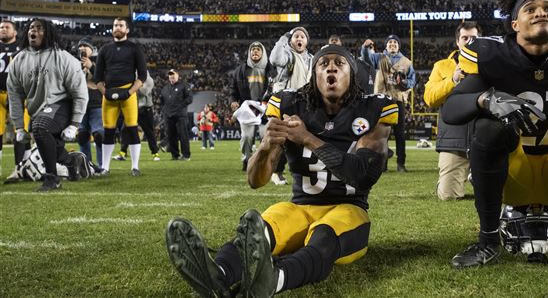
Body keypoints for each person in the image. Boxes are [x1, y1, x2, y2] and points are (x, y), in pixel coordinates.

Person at [165, 44, 398, 297]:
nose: (331, 66)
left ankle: (275, 279)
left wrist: (308, 138)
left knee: (324, 236)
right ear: (313, 75)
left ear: (351, 75)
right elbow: (256, 181)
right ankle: (218, 274)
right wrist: (266, 147)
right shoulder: (290, 104)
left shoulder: (373, 109)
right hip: (299, 207)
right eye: (324, 63)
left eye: (339, 63)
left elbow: (364, 174)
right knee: (262, 229)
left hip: (350, 209)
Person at [441, 0, 548, 267]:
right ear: (515, 24)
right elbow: (451, 110)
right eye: (531, 9)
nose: (542, 13)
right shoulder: (492, 55)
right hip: (514, 172)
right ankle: (487, 242)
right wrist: (485, 100)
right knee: (489, 127)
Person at [7, 18, 88, 191]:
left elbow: (80, 93)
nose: (33, 31)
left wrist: (74, 124)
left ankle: (52, 178)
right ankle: (71, 161)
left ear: (48, 33)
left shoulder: (63, 58)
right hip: (38, 109)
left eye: (39, 28)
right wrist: (19, 127)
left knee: (40, 128)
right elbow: (13, 95)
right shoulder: (19, 60)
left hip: (63, 105)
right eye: (30, 28)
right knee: (47, 139)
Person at [424, 21, 482, 200]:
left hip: (485, 138)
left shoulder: (492, 64)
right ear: (457, 42)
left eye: (474, 38)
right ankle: (446, 181)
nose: (469, 41)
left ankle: (478, 177)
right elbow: (430, 98)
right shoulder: (442, 66)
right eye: (465, 38)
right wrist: (452, 80)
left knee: (505, 194)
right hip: (454, 141)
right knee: (448, 196)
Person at [93, 17, 147, 176]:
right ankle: (106, 167)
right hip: (108, 95)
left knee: (131, 129)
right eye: (115, 25)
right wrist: (105, 92)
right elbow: (97, 78)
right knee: (108, 131)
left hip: (128, 93)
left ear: (127, 30)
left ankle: (135, 167)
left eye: (121, 25)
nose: (117, 27)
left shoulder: (134, 48)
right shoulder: (104, 49)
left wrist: (128, 92)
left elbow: (142, 76)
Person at [362, 34, 416, 172]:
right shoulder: (379, 57)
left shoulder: (406, 62)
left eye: (395, 42)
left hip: (398, 99)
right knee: (381, 134)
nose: (392, 44)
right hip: (382, 99)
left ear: (398, 46)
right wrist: (365, 47)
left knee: (400, 134)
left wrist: (404, 82)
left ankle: (401, 164)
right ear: (386, 46)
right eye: (390, 42)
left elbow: (412, 81)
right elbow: (366, 58)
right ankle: (382, 164)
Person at [269, 26, 313, 184]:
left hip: (304, 101)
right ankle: (276, 171)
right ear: (291, 41)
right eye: (296, 37)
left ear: (307, 41)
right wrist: (283, 38)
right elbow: (274, 59)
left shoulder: (311, 58)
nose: (299, 39)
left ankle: (301, 172)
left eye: (302, 36)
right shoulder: (287, 55)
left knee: (303, 137)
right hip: (285, 100)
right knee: (282, 137)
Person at [230, 41, 276, 171]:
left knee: (266, 137)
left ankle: (263, 162)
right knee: (246, 138)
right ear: (249, 53)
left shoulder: (271, 70)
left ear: (263, 53)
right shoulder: (240, 70)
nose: (255, 51)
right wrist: (233, 100)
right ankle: (247, 160)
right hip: (248, 109)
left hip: (266, 109)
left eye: (258, 49)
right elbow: (233, 90)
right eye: (253, 49)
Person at [1, 20, 31, 176]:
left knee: (21, 130)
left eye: (7, 27)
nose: (3, 29)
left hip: (17, 95)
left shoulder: (21, 50)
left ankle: (21, 168)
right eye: (1, 27)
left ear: (15, 32)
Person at [114, 73, 161, 161]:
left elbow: (144, 92)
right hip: (133, 107)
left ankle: (155, 153)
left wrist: (133, 85)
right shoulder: (132, 76)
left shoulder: (149, 80)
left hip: (145, 109)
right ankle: (122, 153)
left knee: (149, 132)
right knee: (125, 129)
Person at [75, 37, 104, 168]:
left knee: (99, 135)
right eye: (80, 46)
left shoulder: (101, 61)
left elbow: (104, 79)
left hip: (96, 102)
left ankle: (103, 165)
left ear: (92, 49)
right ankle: (86, 166)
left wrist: (91, 67)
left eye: (85, 46)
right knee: (82, 135)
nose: (81, 48)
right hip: (80, 103)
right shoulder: (74, 63)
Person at [161, 69, 193, 160]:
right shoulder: (165, 88)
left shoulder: (184, 85)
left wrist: (180, 106)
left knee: (183, 135)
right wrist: (164, 110)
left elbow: (190, 98)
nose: (171, 76)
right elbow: (162, 101)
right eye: (170, 75)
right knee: (171, 136)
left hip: (180, 115)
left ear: (178, 75)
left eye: (173, 74)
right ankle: (175, 155)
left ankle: (186, 155)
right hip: (168, 116)